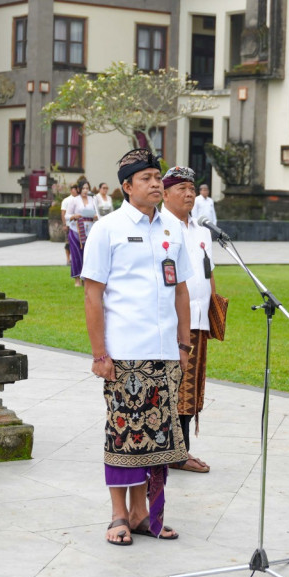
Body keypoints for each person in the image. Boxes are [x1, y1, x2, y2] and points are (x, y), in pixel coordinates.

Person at [81, 148, 193, 546]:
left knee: (157, 437)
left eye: (157, 177)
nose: (155, 183)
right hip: (125, 352)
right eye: (146, 178)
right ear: (127, 187)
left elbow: (181, 291)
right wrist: (100, 354)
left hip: (164, 352)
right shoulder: (107, 229)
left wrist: (184, 344)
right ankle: (118, 514)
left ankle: (143, 514)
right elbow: (92, 295)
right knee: (124, 434)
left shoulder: (172, 230)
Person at [160, 167, 216, 474]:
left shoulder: (202, 230)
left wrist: (214, 309)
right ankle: (173, 451)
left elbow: (209, 273)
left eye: (192, 188)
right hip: (171, 320)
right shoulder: (159, 228)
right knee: (173, 387)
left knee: (192, 388)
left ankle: (181, 450)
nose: (189, 194)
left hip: (199, 320)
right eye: (181, 188)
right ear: (165, 194)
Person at [67, 182, 98, 288]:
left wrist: (95, 216)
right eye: (83, 188)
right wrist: (74, 216)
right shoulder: (74, 200)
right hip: (76, 230)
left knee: (88, 255)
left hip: (89, 230)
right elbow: (67, 215)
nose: (85, 190)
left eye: (87, 188)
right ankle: (77, 279)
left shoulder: (92, 200)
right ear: (79, 189)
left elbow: (97, 213)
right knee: (76, 255)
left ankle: (86, 278)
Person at [60, 184, 79, 266]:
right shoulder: (66, 200)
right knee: (68, 243)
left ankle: (76, 259)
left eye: (76, 189)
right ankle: (68, 259)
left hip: (78, 225)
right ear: (71, 190)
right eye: (74, 189)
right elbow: (63, 213)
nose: (76, 191)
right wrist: (64, 224)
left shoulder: (80, 199)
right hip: (69, 225)